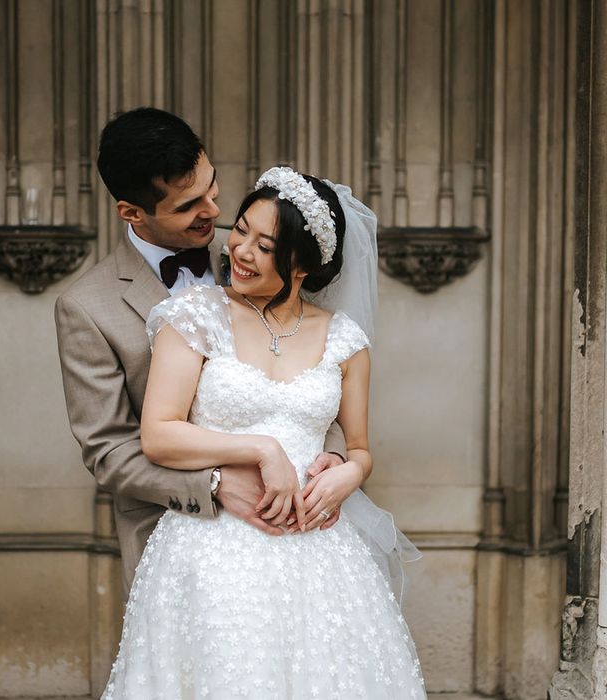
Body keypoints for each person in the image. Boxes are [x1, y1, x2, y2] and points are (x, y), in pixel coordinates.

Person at [101, 166, 427, 698]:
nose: (239, 250)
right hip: (210, 547)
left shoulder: (345, 339)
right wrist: (260, 449)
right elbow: (158, 434)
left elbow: (361, 447)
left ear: (303, 264)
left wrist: (349, 472)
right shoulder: (194, 316)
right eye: (242, 230)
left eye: (265, 244)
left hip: (319, 551)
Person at [55, 108, 348, 596]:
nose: (214, 212)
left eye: (212, 188)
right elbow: (109, 450)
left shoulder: (261, 250)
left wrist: (334, 459)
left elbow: (309, 365)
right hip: (178, 535)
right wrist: (215, 484)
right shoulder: (87, 308)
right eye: (190, 204)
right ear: (132, 212)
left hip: (300, 526)